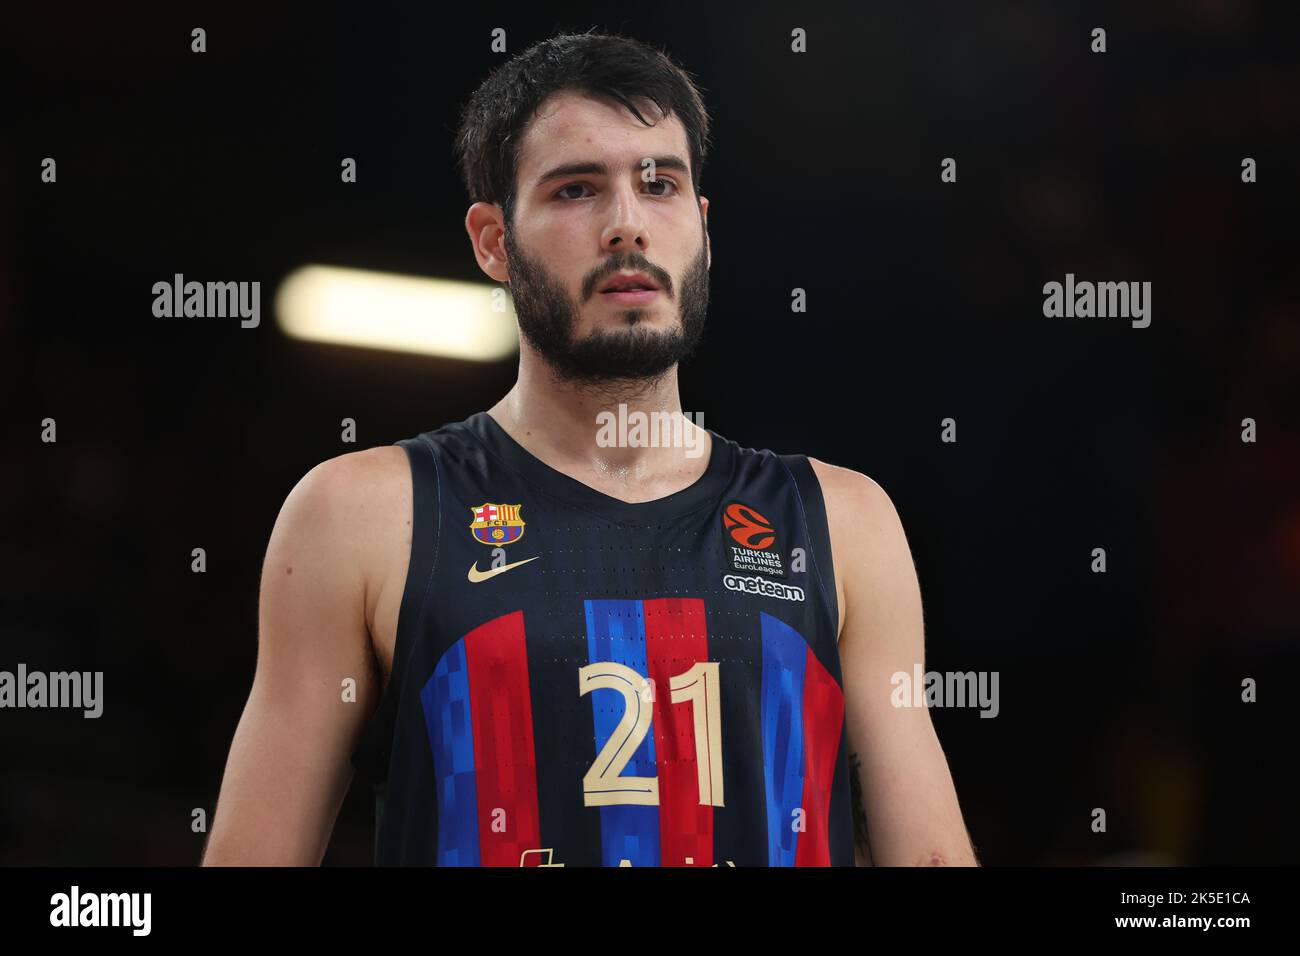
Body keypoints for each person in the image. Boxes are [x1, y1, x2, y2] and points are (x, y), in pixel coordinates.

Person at [202, 31, 977, 867]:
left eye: (660, 184)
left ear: (702, 227)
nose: (626, 225)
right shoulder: (362, 514)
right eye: (577, 189)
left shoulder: (842, 521)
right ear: (494, 241)